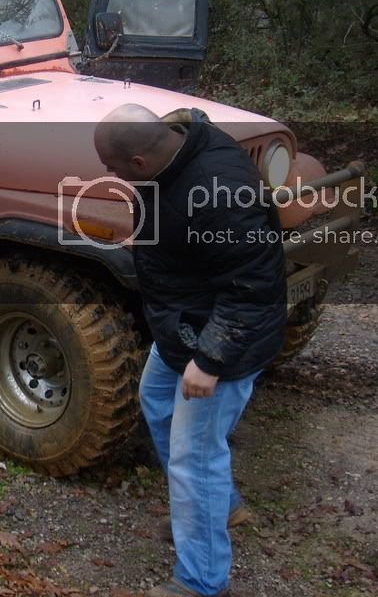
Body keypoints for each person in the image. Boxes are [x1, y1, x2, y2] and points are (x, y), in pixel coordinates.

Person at [93, 104, 287, 597]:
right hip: (183, 326)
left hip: (222, 338)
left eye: (114, 168)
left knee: (194, 458)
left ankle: (202, 581)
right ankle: (222, 507)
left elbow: (253, 287)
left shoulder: (220, 195)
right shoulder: (179, 144)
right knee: (156, 400)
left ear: (140, 162)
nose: (111, 175)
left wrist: (211, 359)